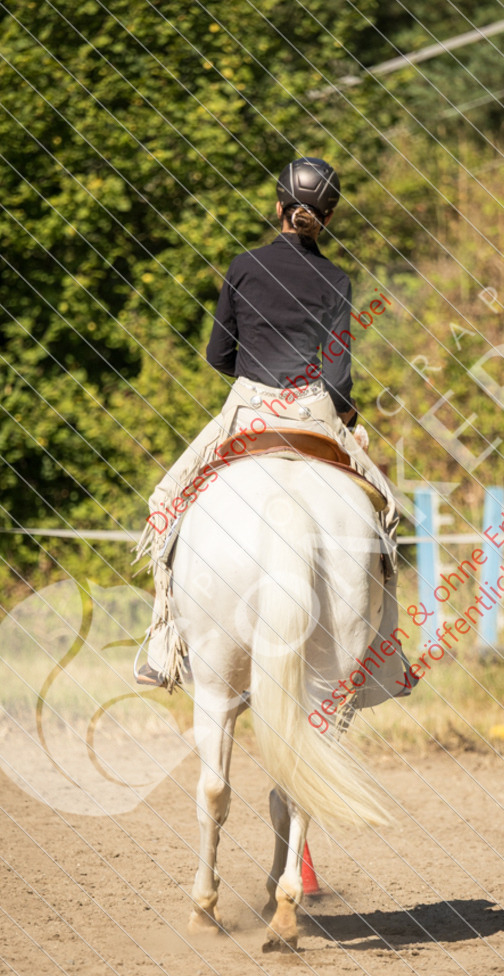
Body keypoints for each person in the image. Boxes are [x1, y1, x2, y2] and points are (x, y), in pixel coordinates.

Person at [134, 157, 412, 697]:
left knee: (166, 502)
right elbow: (336, 377)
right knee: (386, 513)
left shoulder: (243, 266)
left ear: (278, 206)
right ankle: (387, 656)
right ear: (327, 217)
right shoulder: (336, 279)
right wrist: (346, 415)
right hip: (314, 410)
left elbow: (219, 354)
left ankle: (164, 642)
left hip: (248, 407)